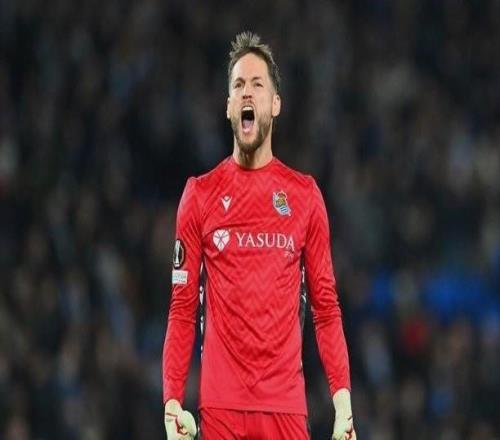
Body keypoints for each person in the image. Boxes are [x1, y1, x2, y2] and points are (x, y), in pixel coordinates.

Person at [162, 31, 355, 440]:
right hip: (221, 410)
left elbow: (326, 308)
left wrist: (343, 406)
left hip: (285, 408)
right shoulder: (200, 195)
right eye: (238, 86)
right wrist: (172, 402)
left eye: (256, 84)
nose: (246, 93)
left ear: (275, 104)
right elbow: (182, 308)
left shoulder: (304, 196)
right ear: (228, 107)